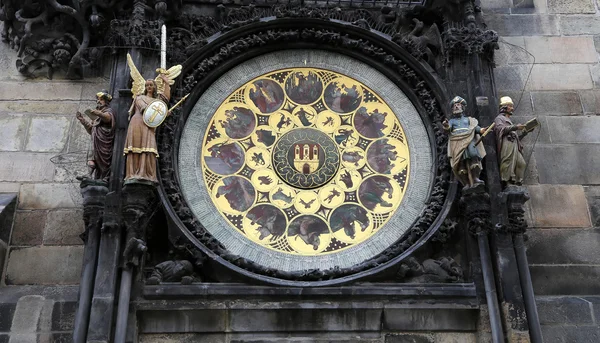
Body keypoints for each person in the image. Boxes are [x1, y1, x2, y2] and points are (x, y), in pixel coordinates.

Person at [124, 75, 170, 183]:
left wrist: (166, 82)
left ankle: (147, 174)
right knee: (136, 147)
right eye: (147, 85)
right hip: (138, 122)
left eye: (151, 85)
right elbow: (145, 109)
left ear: (155, 87)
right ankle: (133, 173)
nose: (149, 87)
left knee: (149, 148)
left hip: (149, 125)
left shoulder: (156, 100)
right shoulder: (139, 98)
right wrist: (162, 112)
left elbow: (166, 98)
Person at [442, 96, 489, 188]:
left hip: (468, 139)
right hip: (457, 142)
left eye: (458, 105)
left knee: (473, 155)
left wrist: (482, 130)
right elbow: (448, 130)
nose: (456, 107)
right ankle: (466, 182)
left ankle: (475, 178)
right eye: (454, 105)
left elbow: (475, 128)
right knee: (460, 162)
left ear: (462, 107)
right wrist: (446, 125)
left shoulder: (468, 120)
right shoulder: (452, 121)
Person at [75, 90, 115, 181]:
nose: (98, 101)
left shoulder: (108, 111)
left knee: (104, 160)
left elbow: (108, 119)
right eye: (97, 99)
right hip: (95, 139)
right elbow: (91, 129)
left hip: (104, 140)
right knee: (91, 156)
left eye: (101, 99)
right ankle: (89, 174)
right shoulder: (96, 116)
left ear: (106, 101)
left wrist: (98, 113)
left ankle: (106, 177)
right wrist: (82, 120)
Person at [494, 96, 530, 187]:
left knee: (521, 163)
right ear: (504, 107)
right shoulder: (499, 118)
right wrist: (515, 127)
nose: (512, 108)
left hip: (513, 143)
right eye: (510, 106)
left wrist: (524, 133)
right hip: (506, 142)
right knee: (507, 161)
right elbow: (499, 129)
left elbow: (516, 137)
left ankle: (518, 182)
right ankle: (508, 182)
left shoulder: (508, 120)